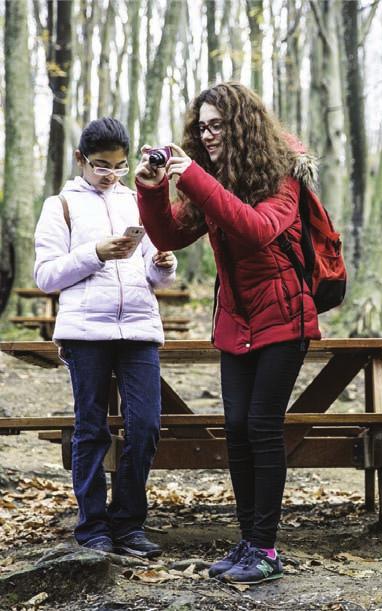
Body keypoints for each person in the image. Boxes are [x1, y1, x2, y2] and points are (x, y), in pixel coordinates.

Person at [134, 82, 320, 585]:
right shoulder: (214, 176)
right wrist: (151, 189)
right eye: (201, 127)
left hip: (285, 313)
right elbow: (171, 234)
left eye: (218, 125)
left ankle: (266, 548)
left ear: (242, 125)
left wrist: (193, 177)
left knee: (262, 426)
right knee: (236, 429)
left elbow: (256, 228)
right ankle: (248, 541)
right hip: (236, 319)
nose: (208, 135)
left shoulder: (284, 175)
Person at [34, 117, 177, 558]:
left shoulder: (138, 203)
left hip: (138, 330)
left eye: (117, 165)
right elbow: (45, 276)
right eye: (100, 165)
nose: (110, 174)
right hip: (85, 333)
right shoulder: (61, 206)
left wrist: (164, 265)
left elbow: (157, 277)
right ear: (80, 159)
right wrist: (95, 253)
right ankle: (93, 526)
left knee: (146, 426)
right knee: (91, 429)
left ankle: (129, 523)